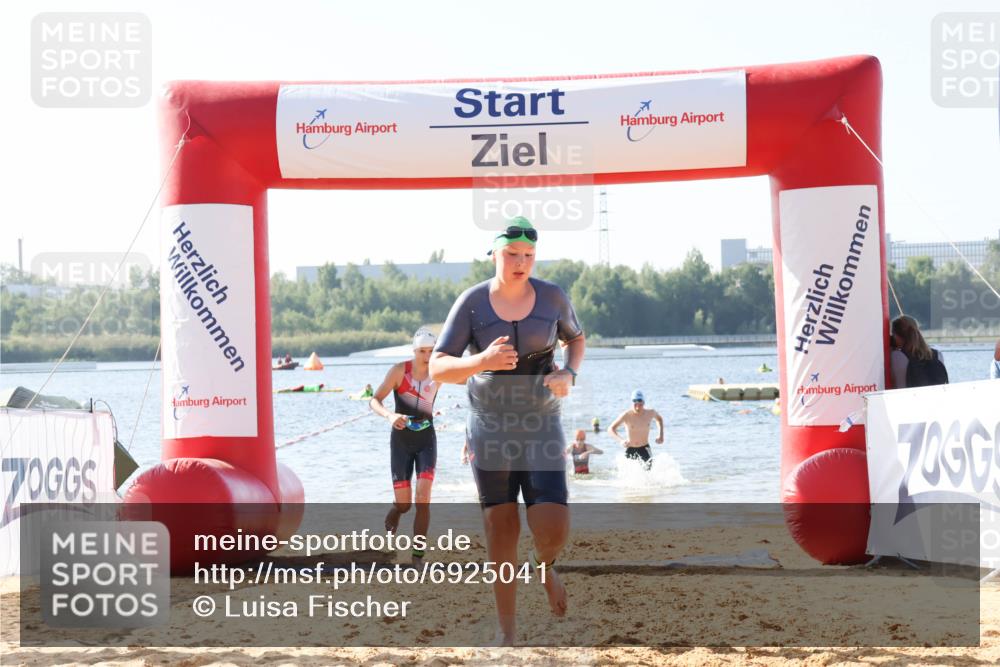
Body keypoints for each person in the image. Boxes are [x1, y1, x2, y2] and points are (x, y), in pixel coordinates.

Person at [430, 216, 585, 645]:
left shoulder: (553, 297)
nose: (521, 263)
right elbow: (437, 367)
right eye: (512, 255)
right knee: (501, 528)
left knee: (553, 525)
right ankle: (508, 631)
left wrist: (569, 372)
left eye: (529, 256)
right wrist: (480, 362)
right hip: (490, 425)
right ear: (495, 254)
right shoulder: (473, 303)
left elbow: (577, 339)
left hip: (541, 421)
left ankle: (545, 565)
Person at [370, 328, 441, 566]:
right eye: (422, 351)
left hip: (426, 441)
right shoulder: (400, 371)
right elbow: (374, 399)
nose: (427, 356)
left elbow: (468, 376)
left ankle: (417, 557)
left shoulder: (439, 371)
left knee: (423, 498)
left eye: (431, 351)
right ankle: (396, 509)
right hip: (401, 441)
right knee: (405, 503)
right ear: (414, 350)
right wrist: (389, 416)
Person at [608, 390, 664, 470]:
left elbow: (660, 419)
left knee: (649, 474)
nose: (637, 404)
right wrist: (621, 440)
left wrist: (661, 436)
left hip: (644, 449)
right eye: (635, 401)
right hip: (631, 448)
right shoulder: (626, 415)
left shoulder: (650, 413)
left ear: (643, 402)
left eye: (639, 401)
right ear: (632, 402)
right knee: (626, 474)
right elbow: (611, 429)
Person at [890, 315, 948, 388]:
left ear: (896, 336)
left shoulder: (896, 356)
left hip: (906, 399)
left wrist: (890, 349)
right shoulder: (938, 355)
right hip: (934, 399)